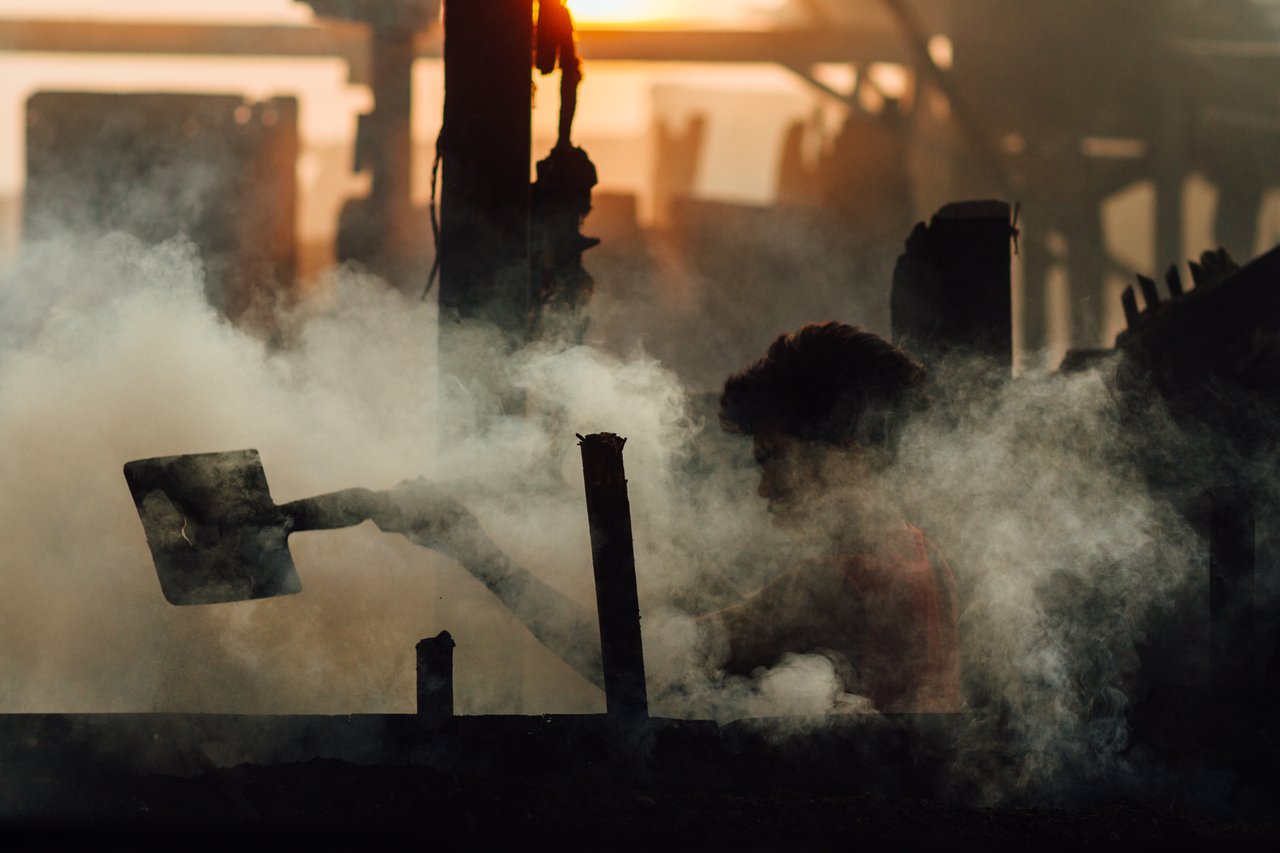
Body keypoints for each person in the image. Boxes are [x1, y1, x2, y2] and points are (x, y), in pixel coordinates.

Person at [294, 322, 960, 712]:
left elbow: (628, 667)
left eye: (772, 458)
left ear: (845, 449)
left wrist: (473, 547)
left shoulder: (831, 581)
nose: (762, 487)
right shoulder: (921, 556)